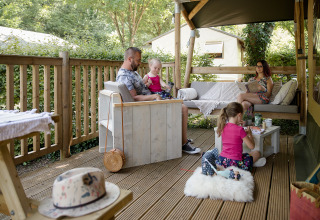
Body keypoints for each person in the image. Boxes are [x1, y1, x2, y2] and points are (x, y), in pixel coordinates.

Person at [116, 47, 200, 154]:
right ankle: (183, 144)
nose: (140, 63)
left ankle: (180, 138)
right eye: (138, 60)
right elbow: (134, 98)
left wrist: (147, 85)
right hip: (147, 106)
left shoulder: (131, 72)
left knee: (180, 102)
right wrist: (154, 96)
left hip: (151, 101)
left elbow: (140, 88)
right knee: (183, 108)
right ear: (129, 59)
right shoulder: (124, 76)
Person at [215, 102, 266, 171]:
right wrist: (250, 134)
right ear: (239, 115)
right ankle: (252, 164)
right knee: (257, 153)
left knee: (244, 155)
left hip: (222, 160)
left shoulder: (223, 126)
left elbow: (232, 132)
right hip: (235, 163)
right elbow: (252, 146)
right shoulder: (240, 130)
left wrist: (237, 125)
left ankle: (224, 168)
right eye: (242, 115)